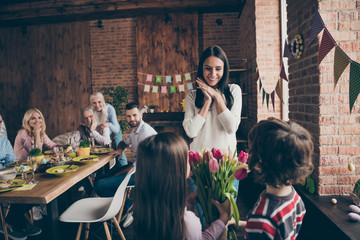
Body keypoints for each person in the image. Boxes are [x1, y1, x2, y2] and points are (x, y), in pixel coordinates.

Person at [182, 45, 242, 227]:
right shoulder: (192, 96)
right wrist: (207, 101)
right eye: (208, 68)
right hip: (199, 164)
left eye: (218, 69)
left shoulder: (234, 91)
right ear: (201, 69)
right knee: (204, 219)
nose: (213, 74)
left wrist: (217, 97)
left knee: (225, 220)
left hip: (227, 164)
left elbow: (232, 127)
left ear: (224, 69)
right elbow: (190, 131)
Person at [134, 132, 229, 240]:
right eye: (186, 160)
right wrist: (222, 221)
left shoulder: (142, 213)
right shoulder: (188, 223)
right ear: (179, 170)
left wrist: (188, 203)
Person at [241, 117, 314, 239]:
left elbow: (263, 226)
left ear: (259, 162)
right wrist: (246, 225)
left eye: (251, 150)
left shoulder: (261, 219)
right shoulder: (295, 199)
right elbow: (272, 229)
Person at [94, 102, 157, 227]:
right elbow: (124, 142)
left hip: (147, 174)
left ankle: (129, 206)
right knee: (100, 178)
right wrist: (120, 149)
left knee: (100, 184)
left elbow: (139, 165)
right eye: (128, 116)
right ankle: (118, 208)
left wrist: (118, 173)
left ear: (141, 115)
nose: (131, 119)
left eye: (134, 115)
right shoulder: (135, 132)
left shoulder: (146, 133)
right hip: (136, 168)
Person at [0, 126, 41, 239]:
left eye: (0, 122)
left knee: (34, 189)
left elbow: (13, 162)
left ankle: (13, 221)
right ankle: (14, 223)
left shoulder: (3, 141)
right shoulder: (22, 134)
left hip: (7, 179)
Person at [90, 92, 127, 165]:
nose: (97, 105)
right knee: (100, 152)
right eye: (94, 103)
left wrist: (108, 124)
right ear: (91, 104)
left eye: (99, 102)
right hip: (100, 132)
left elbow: (116, 129)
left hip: (114, 130)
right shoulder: (89, 110)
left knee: (117, 149)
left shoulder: (110, 109)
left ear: (103, 101)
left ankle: (124, 168)